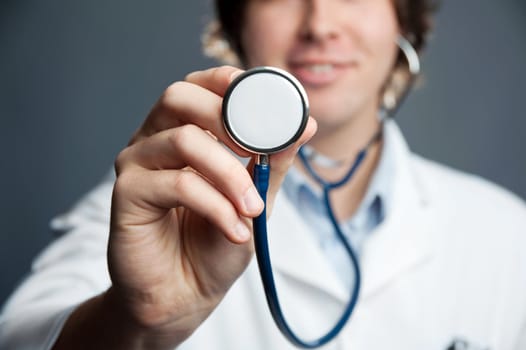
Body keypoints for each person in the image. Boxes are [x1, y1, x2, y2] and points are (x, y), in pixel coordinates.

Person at [1, 0, 525, 349]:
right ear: (236, 25)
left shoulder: (507, 235)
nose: (320, 23)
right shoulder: (149, 208)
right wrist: (134, 320)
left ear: (403, 25)